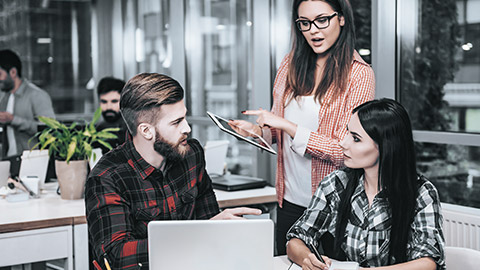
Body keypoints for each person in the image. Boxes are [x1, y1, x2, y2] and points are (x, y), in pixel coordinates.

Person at [229, 0, 375, 254]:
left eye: (322, 20)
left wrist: (287, 124)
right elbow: (277, 133)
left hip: (334, 205)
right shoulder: (289, 65)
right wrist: (255, 132)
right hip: (289, 202)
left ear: (341, 18)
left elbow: (346, 152)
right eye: (304, 23)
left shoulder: (359, 74)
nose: (313, 31)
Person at [85, 73, 261, 269]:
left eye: (184, 117)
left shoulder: (191, 154)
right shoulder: (107, 177)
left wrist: (216, 228)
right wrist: (203, 232)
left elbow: (208, 220)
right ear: (146, 131)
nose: (187, 128)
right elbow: (116, 258)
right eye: (176, 122)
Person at [286, 99, 445, 269]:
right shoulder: (335, 184)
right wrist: (307, 258)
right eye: (348, 133)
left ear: (386, 146)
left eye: (355, 139)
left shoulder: (422, 193)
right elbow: (296, 239)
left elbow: (428, 262)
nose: (343, 143)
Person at [0, 49, 55, 157]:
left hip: (33, 162)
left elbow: (49, 130)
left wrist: (13, 119)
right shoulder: (4, 98)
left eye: (0, 74)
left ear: (13, 72)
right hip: (10, 160)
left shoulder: (37, 95)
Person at [96, 76, 127, 153]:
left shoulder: (134, 131)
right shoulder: (97, 130)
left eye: (114, 101)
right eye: (104, 102)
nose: (108, 107)